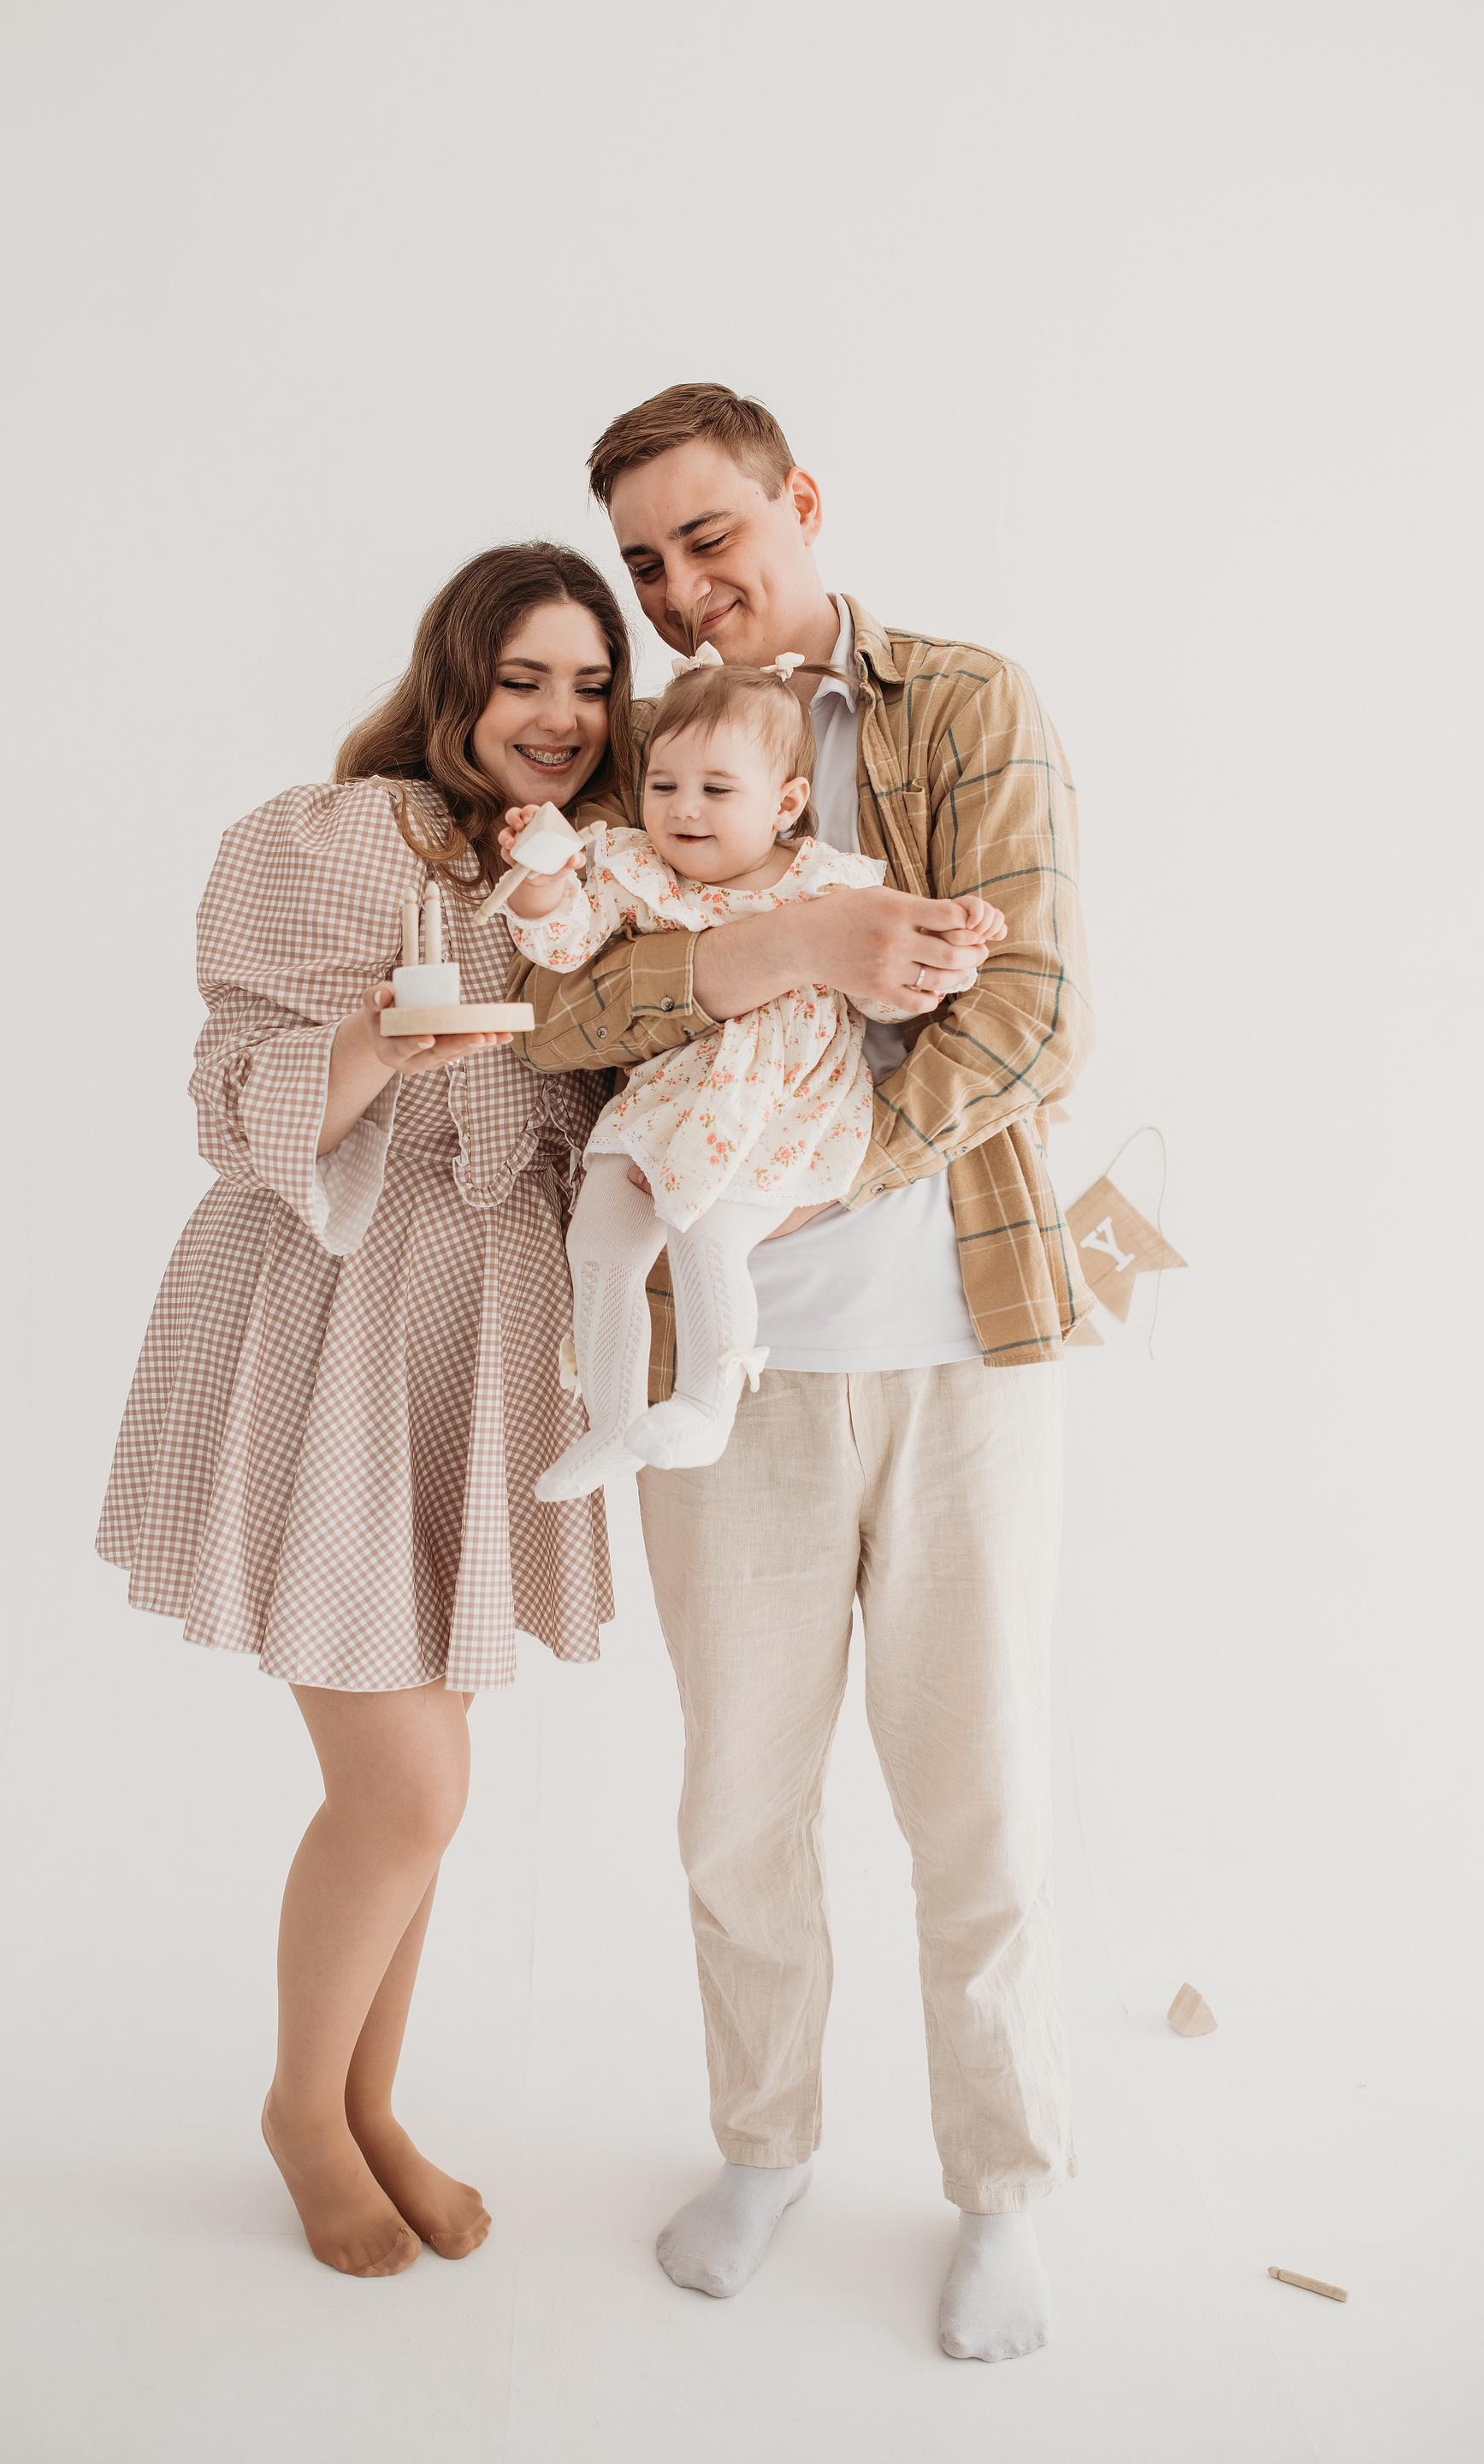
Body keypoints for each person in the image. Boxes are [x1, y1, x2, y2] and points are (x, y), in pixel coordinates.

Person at [512, 385, 1095, 2362]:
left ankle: (1002, 2186)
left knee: (977, 1803)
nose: (683, 592)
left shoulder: (963, 704)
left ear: (802, 503)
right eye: (647, 566)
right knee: (736, 1807)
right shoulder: (647, 758)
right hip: (724, 1377)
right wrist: (792, 951)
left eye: (712, 539)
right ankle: (763, 2145)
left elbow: (1034, 1017)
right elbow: (563, 1018)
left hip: (955, 1349)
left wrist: (808, 1169)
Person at [97, 542, 634, 2278]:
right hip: (331, 1312)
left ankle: (368, 2105)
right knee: (405, 1787)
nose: (559, 715)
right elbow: (225, 1091)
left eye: (592, 683)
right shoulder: (329, 843)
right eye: (524, 676)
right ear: (454, 675)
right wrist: (376, 1054)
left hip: (485, 1333)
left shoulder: (605, 868)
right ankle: (303, 2114)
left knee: (428, 1787)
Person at [498, 649, 1002, 1496]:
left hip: (779, 1105)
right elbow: (566, 946)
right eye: (664, 785)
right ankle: (613, 1420)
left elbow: (889, 991)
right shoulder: (637, 870)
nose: (683, 809)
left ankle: (706, 1402)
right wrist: (542, 887)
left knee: (709, 1234)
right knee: (600, 1240)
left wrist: (959, 934)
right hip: (670, 1096)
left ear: (786, 804)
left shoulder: (828, 885)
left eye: (717, 789)